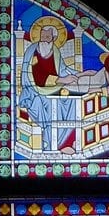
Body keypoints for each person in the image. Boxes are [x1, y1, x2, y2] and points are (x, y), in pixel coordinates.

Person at [18, 15, 80, 152]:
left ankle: (64, 142)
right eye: (42, 35)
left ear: (53, 38)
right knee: (45, 104)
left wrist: (78, 75)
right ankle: (48, 142)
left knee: (71, 103)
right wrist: (62, 80)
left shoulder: (56, 52)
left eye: (47, 36)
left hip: (55, 89)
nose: (44, 38)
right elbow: (36, 74)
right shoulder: (32, 51)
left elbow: (63, 70)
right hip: (34, 91)